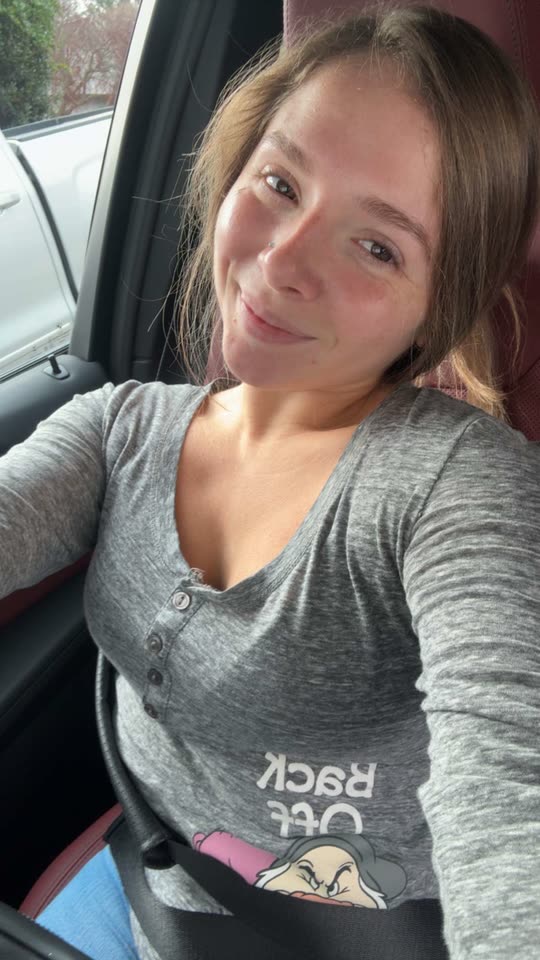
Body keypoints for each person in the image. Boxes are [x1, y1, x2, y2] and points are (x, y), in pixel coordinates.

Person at [2, 4, 540, 959]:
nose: (284, 260)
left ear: (438, 303)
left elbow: (505, 789)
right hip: (143, 885)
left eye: (377, 246)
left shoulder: (455, 486)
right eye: (283, 183)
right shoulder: (118, 431)